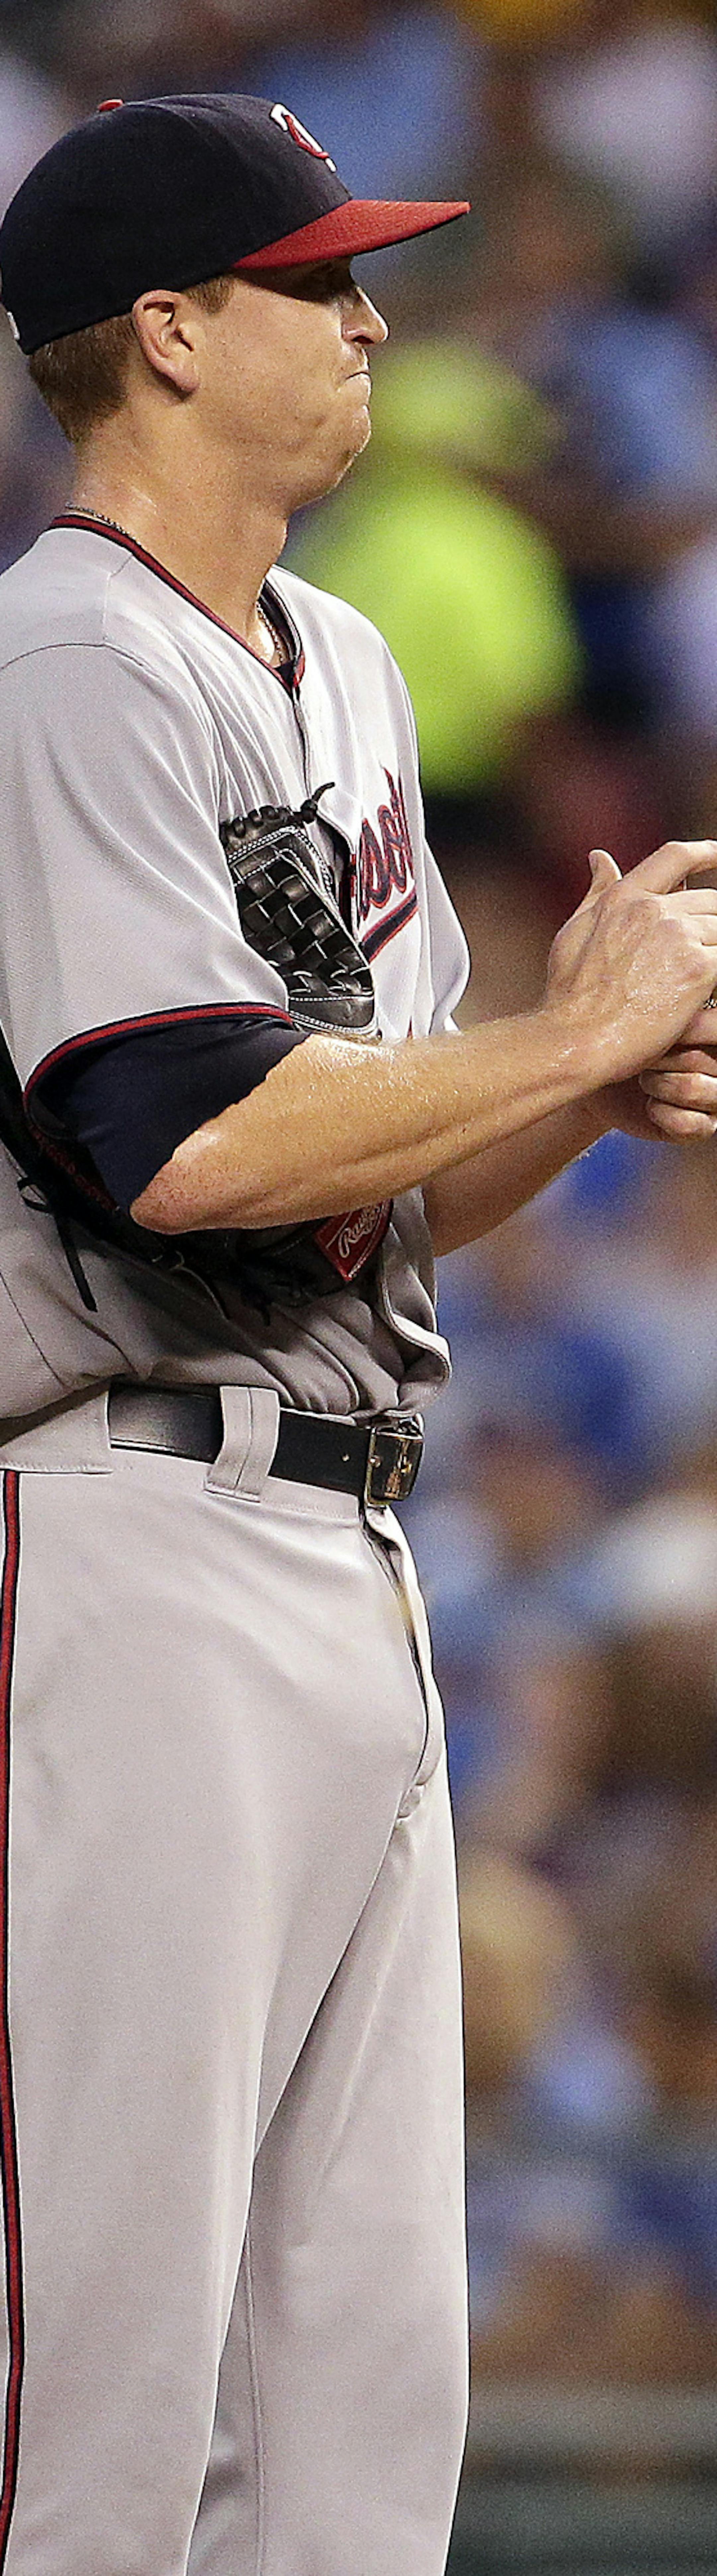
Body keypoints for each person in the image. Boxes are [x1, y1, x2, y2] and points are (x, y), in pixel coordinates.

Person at [0, 91, 715, 2576]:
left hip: (350, 1546)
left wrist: (585, 1085)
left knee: (360, 2416)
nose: (376, 320)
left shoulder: (354, 664)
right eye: (318, 282)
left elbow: (379, 1179)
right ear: (169, 332)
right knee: (105, 2404)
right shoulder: (65, 662)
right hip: (123, 1536)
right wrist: (562, 1035)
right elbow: (184, 1141)